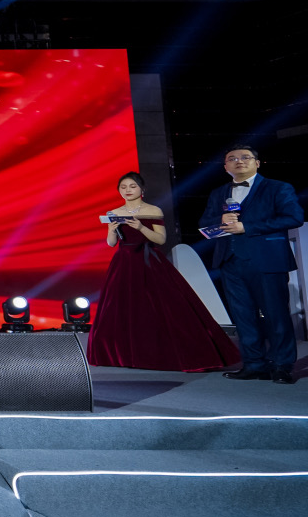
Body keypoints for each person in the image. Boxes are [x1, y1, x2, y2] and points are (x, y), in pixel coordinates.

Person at [89, 171, 239, 371]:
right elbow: (111, 243)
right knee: (121, 308)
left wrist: (140, 227)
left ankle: (167, 353)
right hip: (123, 262)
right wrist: (111, 229)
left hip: (148, 260)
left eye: (132, 186)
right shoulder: (114, 212)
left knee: (165, 307)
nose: (127, 190)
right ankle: (124, 355)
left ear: (142, 189)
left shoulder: (153, 210)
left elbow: (160, 240)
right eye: (123, 187)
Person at [199, 146, 304, 384]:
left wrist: (247, 227)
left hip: (267, 261)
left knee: (276, 315)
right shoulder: (218, 192)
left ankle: (282, 365)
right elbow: (205, 223)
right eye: (232, 159)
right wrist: (219, 220)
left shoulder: (278, 187)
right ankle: (254, 364)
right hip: (230, 262)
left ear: (257, 163)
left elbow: (293, 217)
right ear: (225, 167)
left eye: (245, 157)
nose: (239, 161)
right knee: (243, 316)